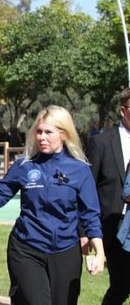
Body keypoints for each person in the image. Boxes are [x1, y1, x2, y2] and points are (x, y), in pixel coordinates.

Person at [0, 105, 105, 305]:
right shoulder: (24, 165)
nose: (42, 137)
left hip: (65, 251)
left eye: (48, 132)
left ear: (63, 134)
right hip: (26, 248)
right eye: (39, 131)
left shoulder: (79, 169)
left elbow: (91, 214)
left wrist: (99, 252)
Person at [87, 87, 130, 305]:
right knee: (121, 286)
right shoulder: (101, 143)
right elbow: (88, 189)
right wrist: (85, 232)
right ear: (123, 110)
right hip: (113, 227)